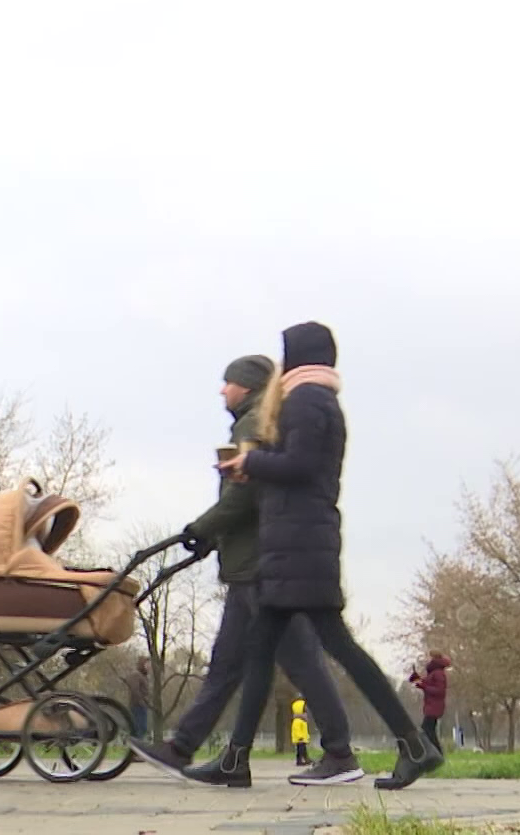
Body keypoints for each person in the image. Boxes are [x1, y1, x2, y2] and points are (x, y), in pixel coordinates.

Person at [130, 322, 445, 791]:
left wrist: (248, 463)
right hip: (295, 545)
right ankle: (236, 760)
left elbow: (299, 465)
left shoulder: (305, 402)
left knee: (341, 649)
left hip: (301, 548)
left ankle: (412, 746)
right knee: (259, 654)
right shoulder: (314, 401)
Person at [139, 355, 364, 788]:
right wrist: (211, 536)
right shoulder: (264, 420)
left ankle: (339, 753)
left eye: (227, 383)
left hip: (261, 565)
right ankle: (200, 752)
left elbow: (245, 496)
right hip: (253, 564)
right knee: (230, 664)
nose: (222, 391)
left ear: (246, 385)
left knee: (298, 661)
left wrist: (200, 529)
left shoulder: (254, 425)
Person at [409, 652, 449, 756]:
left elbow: (440, 691)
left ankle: (436, 753)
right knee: (428, 730)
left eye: (429, 657)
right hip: (432, 706)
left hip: (434, 707)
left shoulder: (438, 673)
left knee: (427, 730)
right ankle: (436, 753)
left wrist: (423, 686)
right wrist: (416, 678)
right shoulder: (434, 672)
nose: (427, 659)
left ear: (433, 658)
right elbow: (427, 684)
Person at [126, 657, 151, 738]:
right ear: (142, 664)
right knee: (139, 728)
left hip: (143, 706)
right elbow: (134, 690)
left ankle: (137, 744)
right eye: (147, 664)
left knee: (142, 728)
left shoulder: (144, 676)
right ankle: (136, 745)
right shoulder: (136, 675)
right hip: (137, 706)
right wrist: (141, 702)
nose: (149, 666)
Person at [291, 698, 312, 766]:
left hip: (302, 738)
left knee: (301, 750)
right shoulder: (298, 721)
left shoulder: (302, 720)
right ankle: (304, 759)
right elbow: (296, 729)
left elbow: (304, 730)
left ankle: (302, 760)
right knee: (301, 750)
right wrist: (300, 737)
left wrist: (306, 736)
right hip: (300, 739)